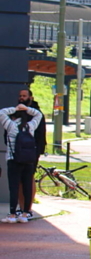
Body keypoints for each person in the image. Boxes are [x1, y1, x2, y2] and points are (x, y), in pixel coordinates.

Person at [1, 100, 42, 224]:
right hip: (28, 161)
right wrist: (26, 109)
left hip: (13, 160)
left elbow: (1, 112)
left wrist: (15, 108)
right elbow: (39, 115)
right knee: (27, 186)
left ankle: (12, 214)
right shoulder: (30, 126)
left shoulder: (10, 126)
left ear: (14, 117)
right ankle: (25, 214)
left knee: (14, 187)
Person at [17, 89, 46, 219]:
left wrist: (37, 151)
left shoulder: (36, 113)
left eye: (24, 96)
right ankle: (20, 206)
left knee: (29, 179)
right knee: (18, 180)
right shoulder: (17, 112)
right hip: (18, 150)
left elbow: (40, 134)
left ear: (30, 97)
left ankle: (27, 208)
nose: (21, 98)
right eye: (20, 96)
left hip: (32, 151)